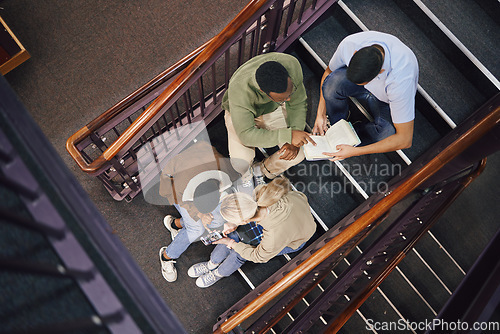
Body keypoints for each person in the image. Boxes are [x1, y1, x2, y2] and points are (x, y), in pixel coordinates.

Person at [187, 177, 316, 288]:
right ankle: (212, 263)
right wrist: (234, 224)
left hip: (294, 239)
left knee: (242, 252)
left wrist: (231, 243)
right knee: (233, 235)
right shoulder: (261, 193)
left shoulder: (273, 238)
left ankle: (218, 273)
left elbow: (258, 256)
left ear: (245, 221)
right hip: (292, 214)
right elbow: (301, 196)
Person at [312, 31, 419, 161]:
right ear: (355, 53)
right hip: (372, 82)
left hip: (387, 101)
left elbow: (404, 139)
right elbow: (329, 71)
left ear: (380, 72)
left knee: (386, 133)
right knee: (332, 83)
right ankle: (337, 124)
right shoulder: (350, 44)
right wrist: (320, 113)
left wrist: (356, 151)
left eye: (363, 83)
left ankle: (353, 138)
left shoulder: (401, 80)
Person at [222, 52, 315, 190]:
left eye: (290, 94)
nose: (289, 99)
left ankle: (262, 170)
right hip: (239, 116)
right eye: (283, 99)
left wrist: (294, 137)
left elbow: (298, 103)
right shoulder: (240, 90)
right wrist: (288, 135)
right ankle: (246, 176)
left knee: (298, 155)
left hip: (271, 110)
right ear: (262, 91)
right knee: (241, 162)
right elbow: (247, 135)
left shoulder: (291, 64)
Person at [158, 141, 239, 282]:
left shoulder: (224, 169)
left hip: (203, 182)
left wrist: (231, 220)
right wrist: (199, 214)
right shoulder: (180, 186)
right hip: (176, 187)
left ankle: (176, 224)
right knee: (196, 230)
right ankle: (167, 256)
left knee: (216, 219)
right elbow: (170, 194)